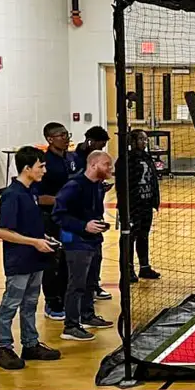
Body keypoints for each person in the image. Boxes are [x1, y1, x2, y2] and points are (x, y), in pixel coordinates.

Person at [0, 146, 62, 370]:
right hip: (20, 260)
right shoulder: (12, 195)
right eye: (40, 166)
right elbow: (2, 231)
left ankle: (30, 344)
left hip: (36, 257)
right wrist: (34, 242)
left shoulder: (31, 191)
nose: (44, 170)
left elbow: (28, 226)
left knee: (30, 303)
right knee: (11, 303)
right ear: (27, 168)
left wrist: (44, 237)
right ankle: (3, 348)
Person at [53, 150, 116, 342]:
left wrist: (98, 225)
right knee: (76, 284)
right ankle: (71, 326)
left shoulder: (97, 186)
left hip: (93, 240)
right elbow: (58, 214)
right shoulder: (74, 186)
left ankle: (87, 315)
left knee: (90, 281)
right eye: (107, 164)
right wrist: (83, 226)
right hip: (76, 242)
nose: (110, 168)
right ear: (93, 165)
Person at [37, 122, 79, 321]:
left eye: (66, 134)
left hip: (71, 218)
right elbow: (38, 197)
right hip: (51, 218)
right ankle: (52, 303)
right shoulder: (44, 164)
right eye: (61, 135)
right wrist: (62, 199)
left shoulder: (72, 158)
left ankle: (67, 298)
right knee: (54, 260)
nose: (66, 138)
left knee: (69, 260)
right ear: (50, 139)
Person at [73, 126, 113, 301]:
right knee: (81, 257)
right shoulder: (75, 160)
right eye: (101, 145)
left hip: (94, 212)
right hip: (78, 217)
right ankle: (79, 292)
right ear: (90, 141)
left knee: (97, 253)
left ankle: (93, 286)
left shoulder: (94, 159)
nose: (102, 149)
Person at [126, 129, 162, 281]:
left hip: (146, 204)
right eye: (141, 139)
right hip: (134, 206)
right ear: (132, 141)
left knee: (144, 236)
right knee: (130, 237)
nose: (144, 142)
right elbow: (124, 185)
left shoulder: (147, 157)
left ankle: (145, 267)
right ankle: (128, 270)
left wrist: (155, 200)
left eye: (145, 139)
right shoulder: (127, 159)